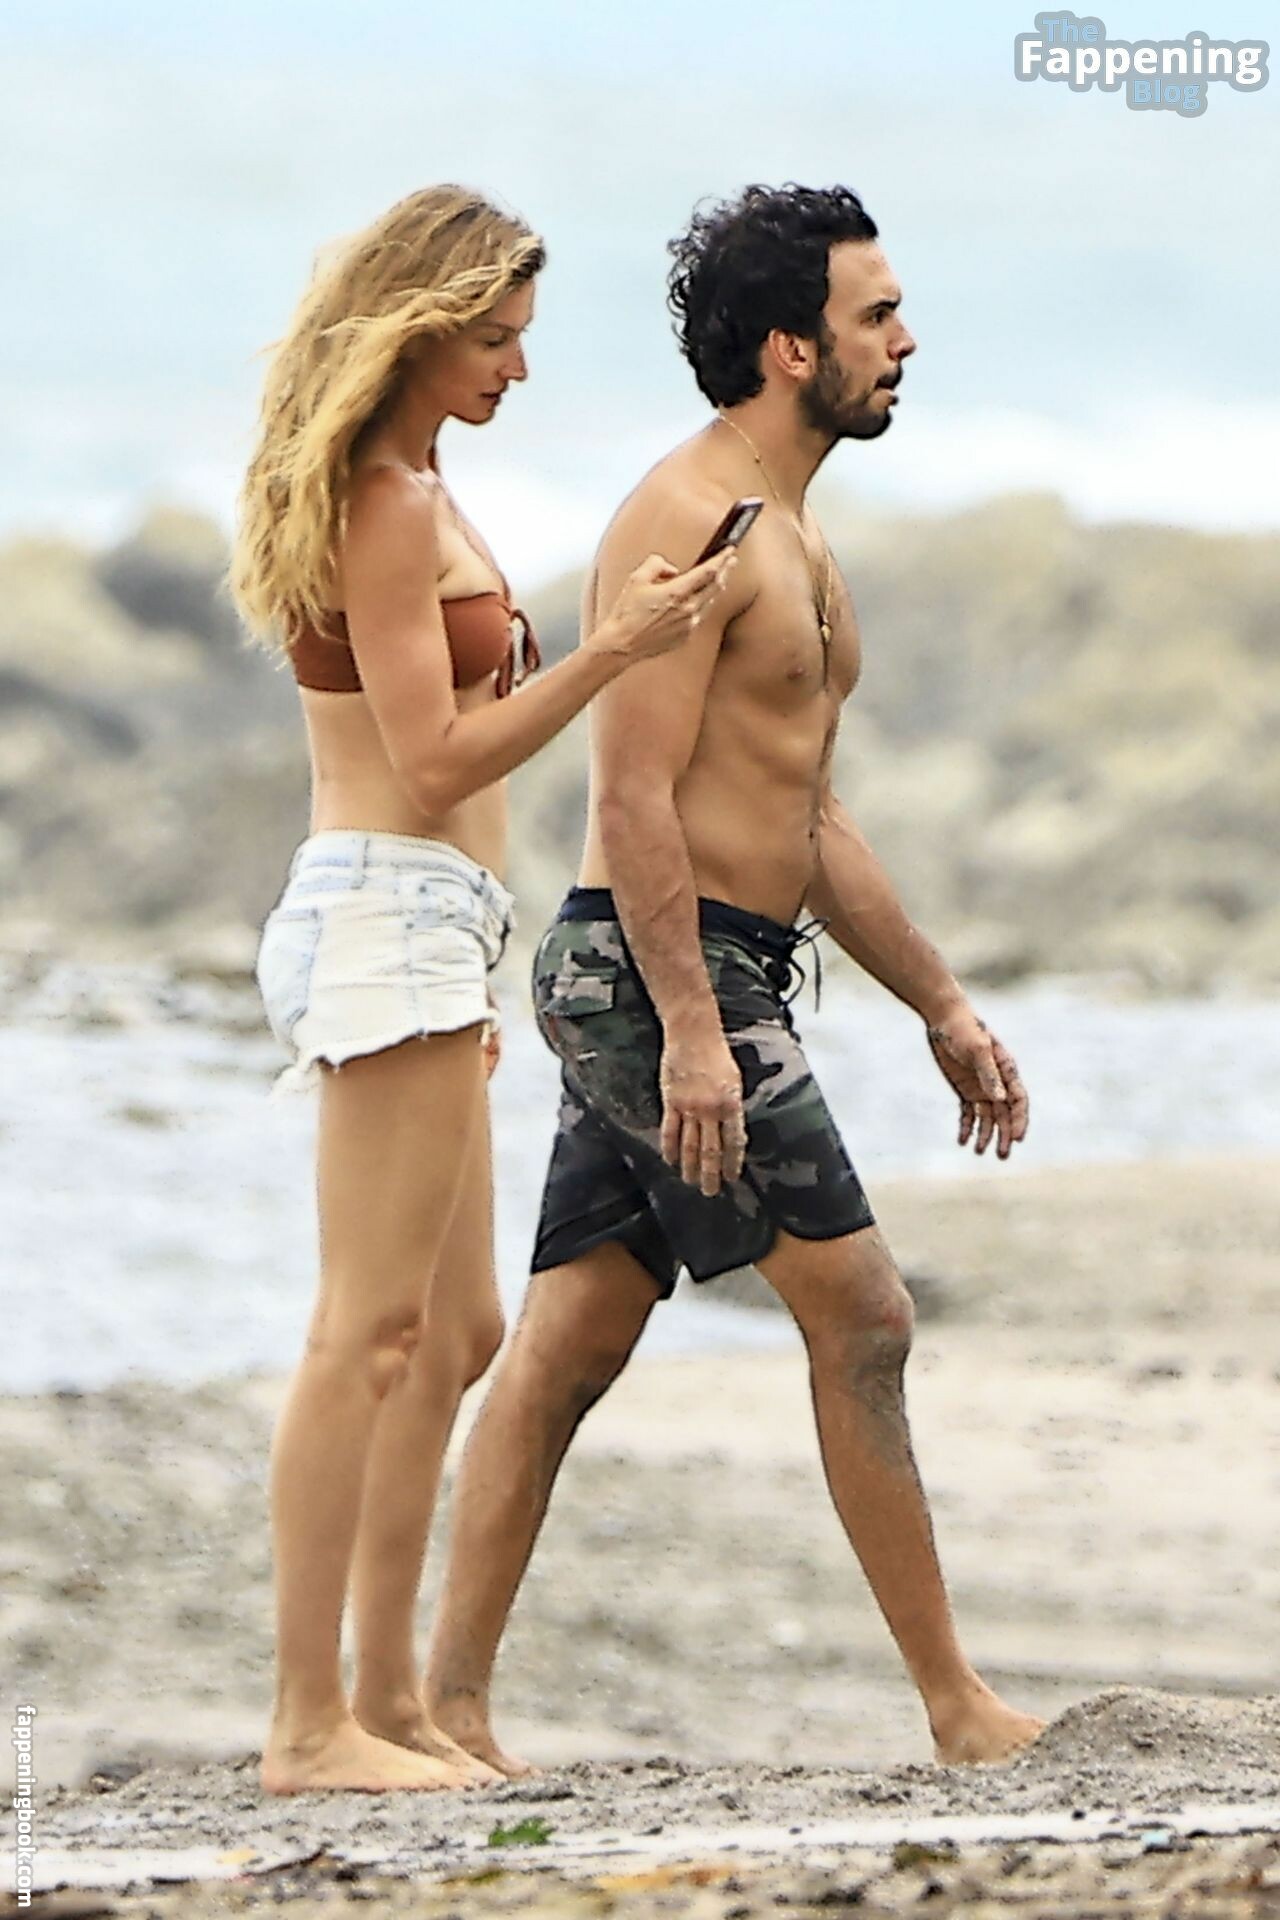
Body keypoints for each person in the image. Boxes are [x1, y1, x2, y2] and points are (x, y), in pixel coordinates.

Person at [423, 183, 1045, 1775]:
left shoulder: (797, 534)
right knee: (867, 1316)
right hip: (661, 970)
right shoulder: (686, 519)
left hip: (698, 966)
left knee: (572, 1341)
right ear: (790, 348)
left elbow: (810, 819)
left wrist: (944, 1006)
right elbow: (630, 798)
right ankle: (959, 1710)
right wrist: (696, 1035)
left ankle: (446, 1710)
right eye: (875, 316)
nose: (906, 341)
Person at [230, 184, 735, 1795]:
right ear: (422, 327)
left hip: (434, 925)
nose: (520, 365)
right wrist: (612, 649)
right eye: (498, 337)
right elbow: (437, 756)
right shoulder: (384, 503)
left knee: (454, 1329)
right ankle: (307, 1725)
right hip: (383, 913)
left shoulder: (422, 482)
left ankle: (390, 1707)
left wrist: (482, 964)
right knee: (365, 1330)